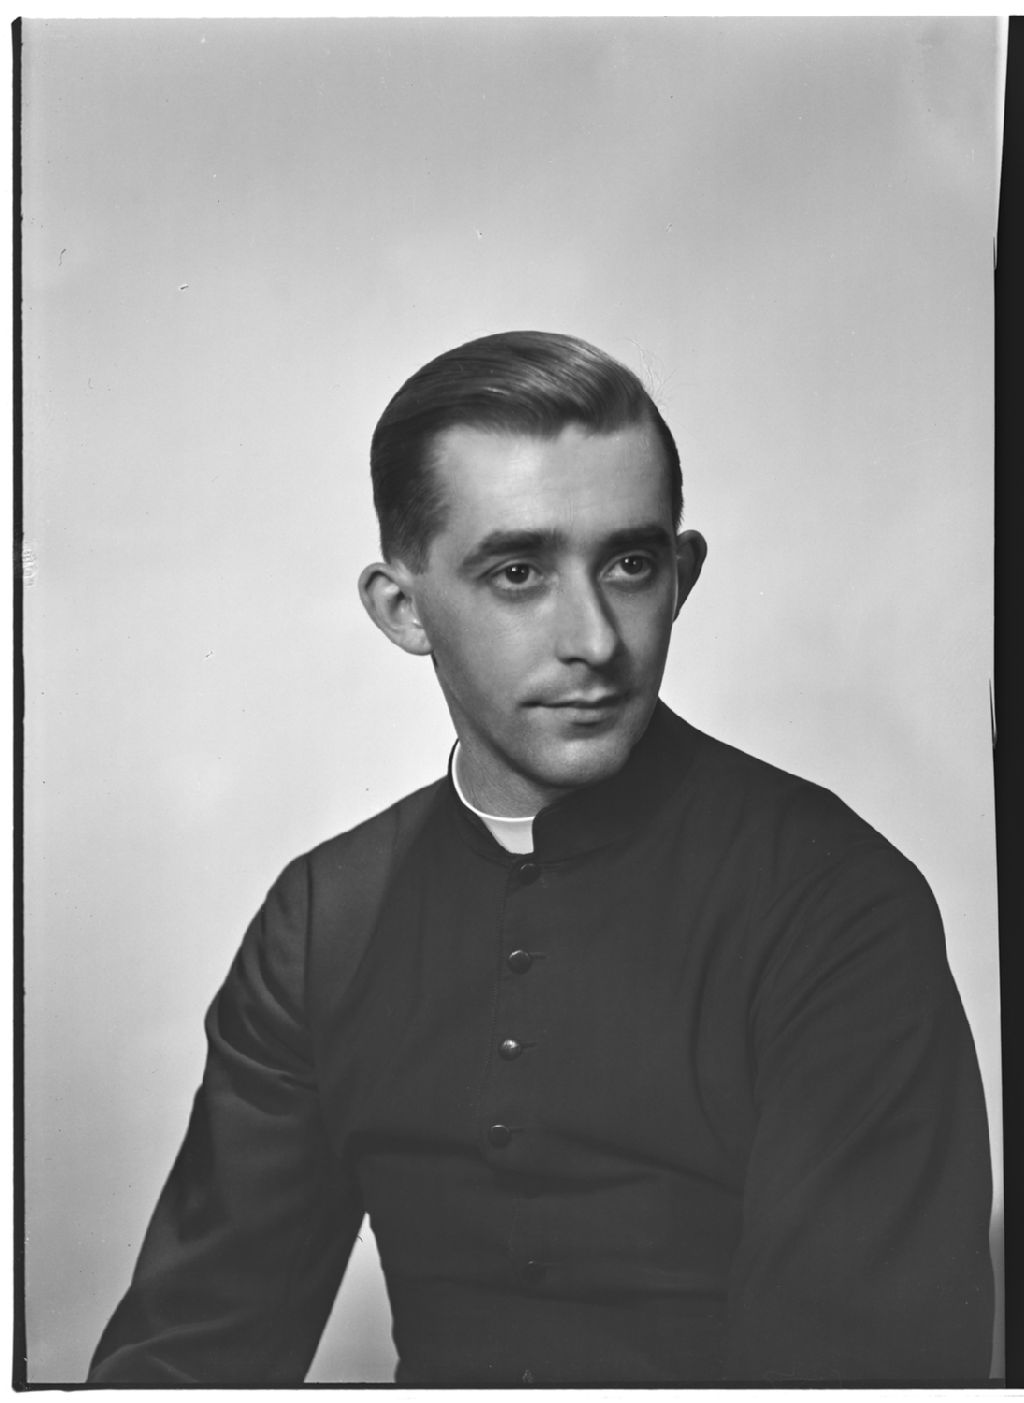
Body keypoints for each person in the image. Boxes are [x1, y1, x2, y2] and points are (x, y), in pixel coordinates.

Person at [88, 330, 994, 1384]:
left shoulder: (832, 900)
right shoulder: (323, 917)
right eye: (518, 572)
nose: (595, 640)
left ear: (683, 574)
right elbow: (190, 1353)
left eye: (629, 563)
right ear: (401, 609)